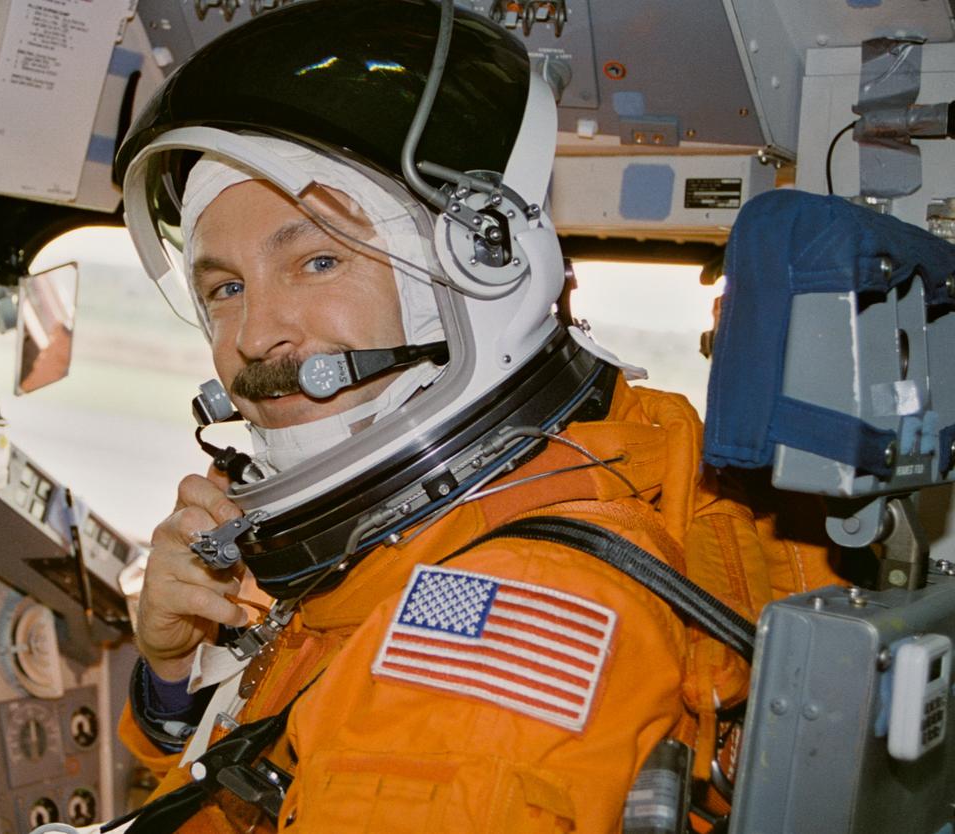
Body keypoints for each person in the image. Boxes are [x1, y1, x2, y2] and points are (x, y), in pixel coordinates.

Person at [107, 1, 836, 831]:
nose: (254, 336)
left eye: (316, 260)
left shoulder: (499, 616)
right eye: (225, 289)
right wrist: (173, 679)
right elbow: (256, 778)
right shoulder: (500, 504)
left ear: (466, 277)